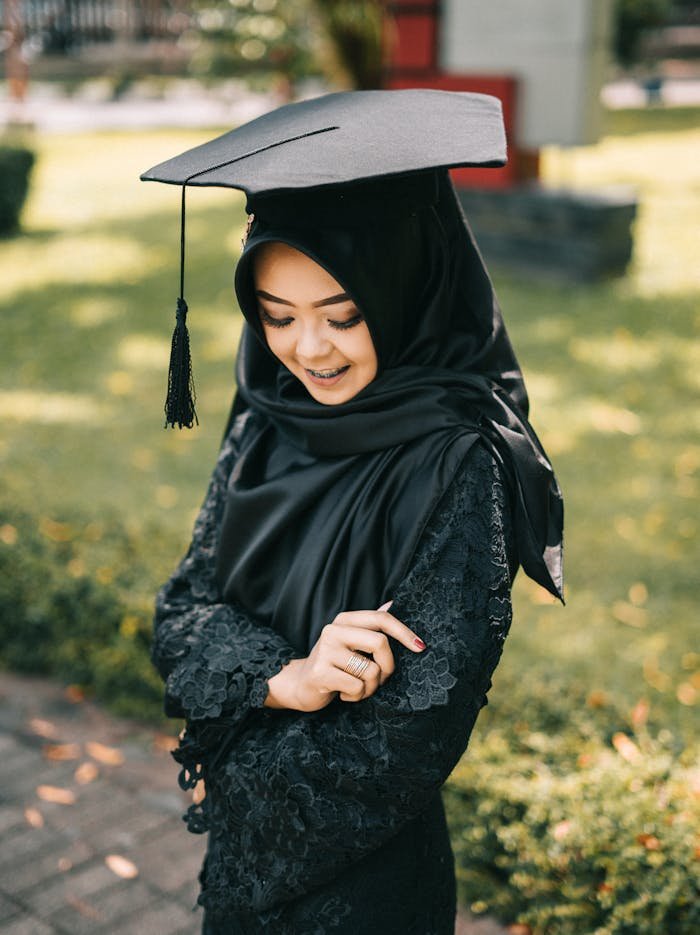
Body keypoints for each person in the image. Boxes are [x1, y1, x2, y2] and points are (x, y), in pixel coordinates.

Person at [144, 91, 564, 935]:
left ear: (404, 292)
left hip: (365, 891)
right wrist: (283, 680)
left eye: (344, 314)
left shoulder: (458, 461)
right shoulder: (270, 411)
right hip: (238, 870)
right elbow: (180, 611)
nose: (308, 350)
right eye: (277, 317)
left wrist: (239, 743)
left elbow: (397, 746)